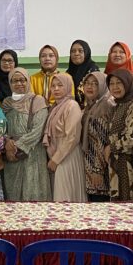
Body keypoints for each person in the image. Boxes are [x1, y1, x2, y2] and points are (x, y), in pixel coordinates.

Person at [1, 67, 51, 202]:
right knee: (13, 194)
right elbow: (1, 127)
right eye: (15, 81)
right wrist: (6, 142)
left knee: (32, 191)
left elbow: (38, 130)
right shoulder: (7, 103)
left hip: (32, 153)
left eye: (22, 80)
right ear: (10, 83)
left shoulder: (38, 101)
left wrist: (17, 146)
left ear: (28, 81)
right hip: (11, 156)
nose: (19, 84)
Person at [43, 73, 87, 202]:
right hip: (57, 155)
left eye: (60, 85)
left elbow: (72, 137)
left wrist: (56, 159)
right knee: (60, 194)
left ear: (68, 86)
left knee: (64, 196)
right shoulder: (55, 107)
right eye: (53, 86)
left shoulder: (72, 105)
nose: (56, 89)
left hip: (67, 155)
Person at [105, 69, 133, 201]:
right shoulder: (118, 104)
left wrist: (111, 148)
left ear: (128, 83)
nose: (115, 87)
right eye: (111, 83)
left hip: (128, 163)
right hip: (116, 162)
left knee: (127, 202)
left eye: (119, 83)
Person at [80, 72, 112, 201]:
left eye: (95, 84)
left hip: (99, 170)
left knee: (100, 205)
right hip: (90, 166)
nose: (89, 87)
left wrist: (98, 170)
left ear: (103, 86)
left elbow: (103, 141)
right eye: (87, 83)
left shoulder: (104, 106)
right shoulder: (91, 107)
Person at [66, 40, 100, 108]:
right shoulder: (68, 73)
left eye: (80, 51)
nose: (76, 53)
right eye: (73, 51)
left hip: (91, 109)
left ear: (86, 53)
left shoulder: (93, 71)